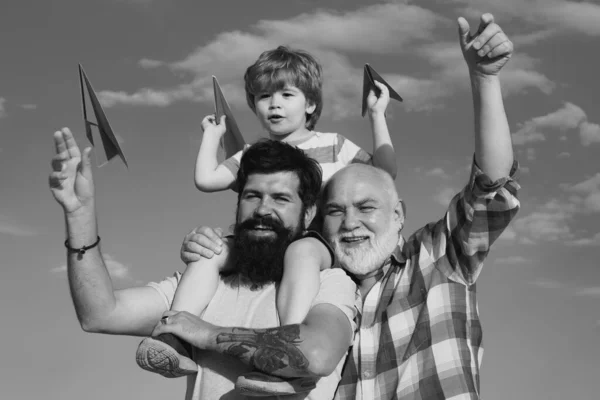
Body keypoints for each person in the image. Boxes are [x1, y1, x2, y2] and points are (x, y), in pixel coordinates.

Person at [180, 13, 521, 399]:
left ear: (399, 215)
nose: (350, 222)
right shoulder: (327, 301)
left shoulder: (434, 259)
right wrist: (207, 250)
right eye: (335, 210)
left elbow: (490, 184)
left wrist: (485, 80)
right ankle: (177, 339)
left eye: (366, 207)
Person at [136, 44, 398, 379]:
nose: (274, 104)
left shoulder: (334, 144)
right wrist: (211, 136)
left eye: (287, 94)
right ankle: (174, 337)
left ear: (311, 104)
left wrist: (377, 115)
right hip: (262, 241)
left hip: (312, 240)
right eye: (263, 96)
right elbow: (207, 179)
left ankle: (286, 355)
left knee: (301, 252)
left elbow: (384, 171)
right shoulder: (251, 154)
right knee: (210, 251)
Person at [49, 136, 358, 399]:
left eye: (280, 199)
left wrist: (207, 334)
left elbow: (316, 355)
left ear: (308, 214)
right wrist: (79, 215)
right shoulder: (204, 282)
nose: (263, 209)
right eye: (252, 196)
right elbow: (99, 314)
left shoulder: (328, 282)